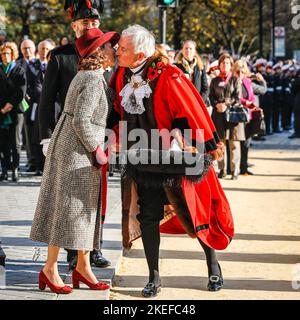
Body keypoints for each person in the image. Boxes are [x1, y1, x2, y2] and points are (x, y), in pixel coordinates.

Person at [108, 25, 234, 298]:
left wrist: (179, 132)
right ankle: (154, 276)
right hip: (142, 159)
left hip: (175, 158)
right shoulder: (120, 76)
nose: (117, 51)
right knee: (148, 216)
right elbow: (116, 112)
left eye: (123, 48)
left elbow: (188, 112)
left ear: (141, 54)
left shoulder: (170, 75)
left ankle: (213, 265)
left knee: (195, 213)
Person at [29, 28, 119, 294]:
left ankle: (82, 266)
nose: (113, 50)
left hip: (74, 147)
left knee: (81, 211)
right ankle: (50, 268)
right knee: (65, 210)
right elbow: (81, 119)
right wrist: (98, 150)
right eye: (109, 47)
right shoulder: (92, 79)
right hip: (75, 149)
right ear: (99, 53)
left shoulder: (93, 75)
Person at [38, 0, 110, 270]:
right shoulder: (61, 55)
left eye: (94, 22)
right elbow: (47, 101)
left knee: (95, 197)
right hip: (72, 134)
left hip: (98, 134)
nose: (90, 26)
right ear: (74, 25)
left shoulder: (105, 54)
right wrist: (46, 137)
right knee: (70, 197)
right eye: (85, 22)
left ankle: (93, 249)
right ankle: (72, 254)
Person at [209, 53, 242, 180]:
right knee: (220, 143)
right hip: (218, 115)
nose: (225, 65)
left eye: (227, 63)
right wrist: (217, 104)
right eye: (222, 63)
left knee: (234, 143)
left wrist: (226, 105)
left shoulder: (235, 79)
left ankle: (235, 170)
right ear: (219, 65)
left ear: (231, 65)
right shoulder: (215, 80)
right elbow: (211, 96)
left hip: (232, 114)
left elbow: (237, 98)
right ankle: (222, 169)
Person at [0, 42, 26, 181]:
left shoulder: (19, 70)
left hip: (16, 110)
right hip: (0, 111)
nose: (6, 56)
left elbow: (21, 91)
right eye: (3, 53)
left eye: (8, 53)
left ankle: (15, 169)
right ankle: (4, 170)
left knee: (15, 142)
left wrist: (9, 105)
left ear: (13, 54)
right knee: (2, 142)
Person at [174, 40, 209, 105]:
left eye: (190, 48)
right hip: (182, 103)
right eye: (186, 48)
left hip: (197, 104)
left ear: (194, 51)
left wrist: (199, 102)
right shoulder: (176, 67)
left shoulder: (200, 67)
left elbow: (205, 88)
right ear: (182, 50)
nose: (188, 50)